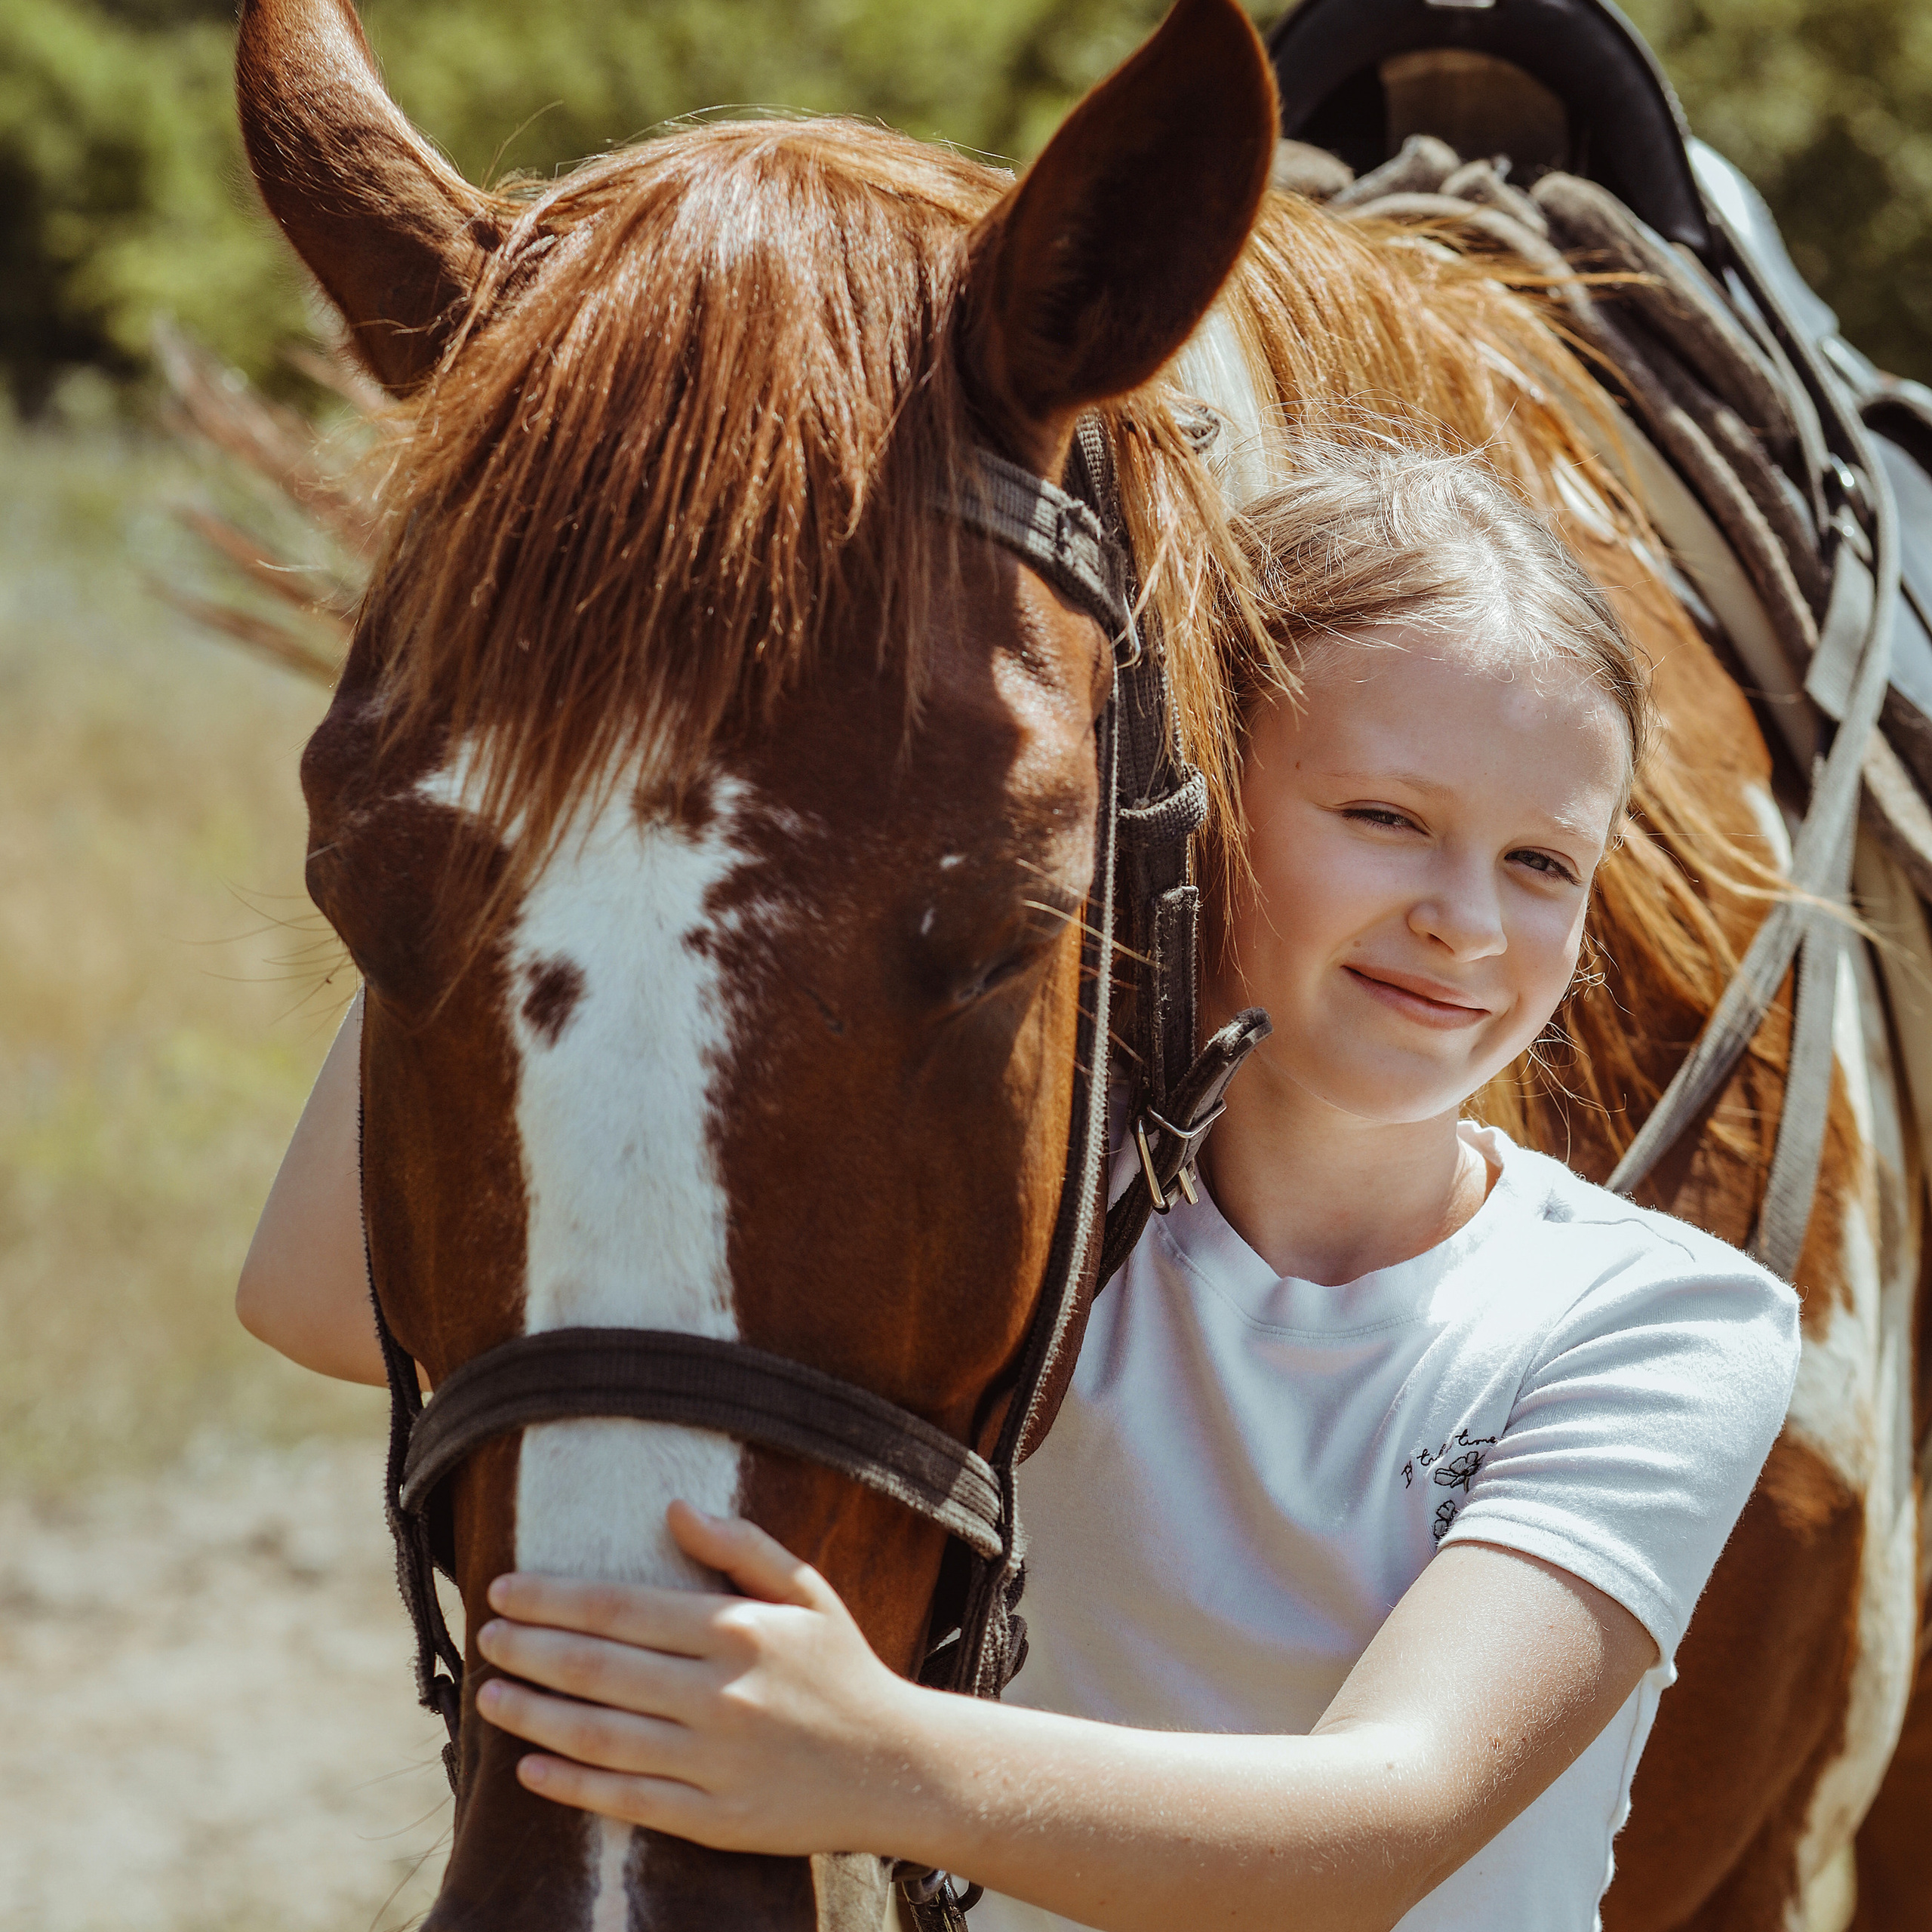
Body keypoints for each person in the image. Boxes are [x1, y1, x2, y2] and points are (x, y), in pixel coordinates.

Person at [238, 438, 1800, 1932]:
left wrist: (871, 1760)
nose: (1465, 917)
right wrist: (575, 752)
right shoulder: (1021, 1235)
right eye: (1384, 818)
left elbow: (1383, 1823)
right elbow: (313, 1296)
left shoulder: (1658, 1322)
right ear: (1189, 805)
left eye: (1541, 862)